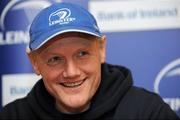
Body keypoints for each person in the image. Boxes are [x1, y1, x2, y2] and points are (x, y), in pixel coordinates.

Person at [0, 2, 179, 120]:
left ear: (102, 50)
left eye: (82, 54)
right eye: (55, 59)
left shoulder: (148, 112)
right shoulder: (12, 115)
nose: (72, 72)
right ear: (35, 62)